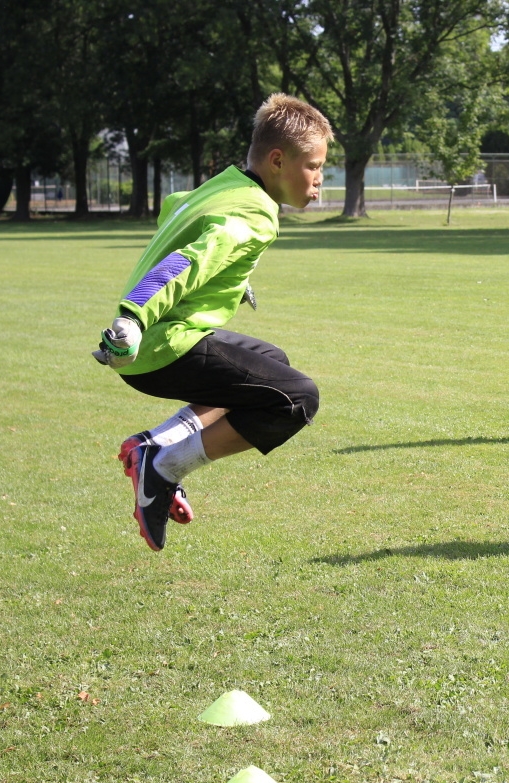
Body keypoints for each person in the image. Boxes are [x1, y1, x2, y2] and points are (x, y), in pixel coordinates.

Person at [91, 93, 332, 551]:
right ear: (278, 160)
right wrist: (133, 318)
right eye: (314, 167)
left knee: (270, 364)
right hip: (162, 346)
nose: (320, 180)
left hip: (165, 341)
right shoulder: (257, 214)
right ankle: (163, 467)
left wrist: (233, 279)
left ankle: (152, 445)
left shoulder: (223, 185)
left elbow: (177, 207)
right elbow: (186, 263)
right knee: (297, 398)